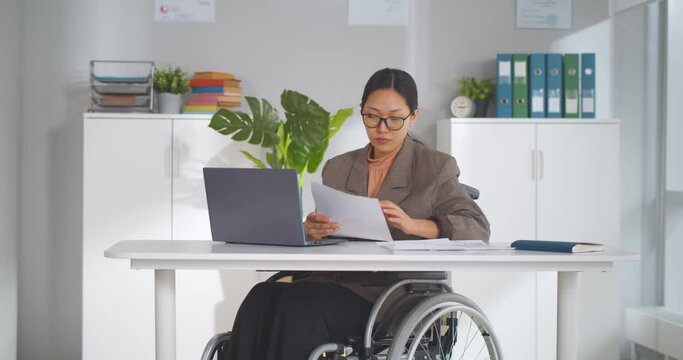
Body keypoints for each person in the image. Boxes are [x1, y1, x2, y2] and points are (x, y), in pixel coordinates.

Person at [223, 68, 490, 360]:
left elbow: (477, 227)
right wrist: (312, 230)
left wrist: (416, 225)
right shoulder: (339, 167)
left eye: (395, 118)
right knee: (260, 298)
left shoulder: (434, 167)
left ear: (413, 116)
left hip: (392, 294)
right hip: (331, 280)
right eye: (372, 116)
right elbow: (330, 230)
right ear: (362, 112)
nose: (382, 128)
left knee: (300, 303)